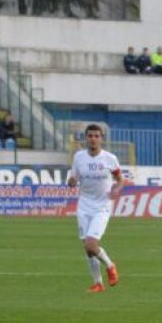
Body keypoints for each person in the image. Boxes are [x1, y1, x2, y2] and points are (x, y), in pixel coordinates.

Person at [66, 124, 123, 293]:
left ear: (102, 139)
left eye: (97, 136)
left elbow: (120, 179)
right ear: (86, 138)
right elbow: (72, 179)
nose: (93, 139)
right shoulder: (79, 157)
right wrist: (71, 182)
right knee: (88, 249)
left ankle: (111, 266)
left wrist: (116, 189)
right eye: (90, 135)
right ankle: (98, 283)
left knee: (92, 245)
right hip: (84, 206)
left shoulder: (110, 158)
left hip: (102, 206)